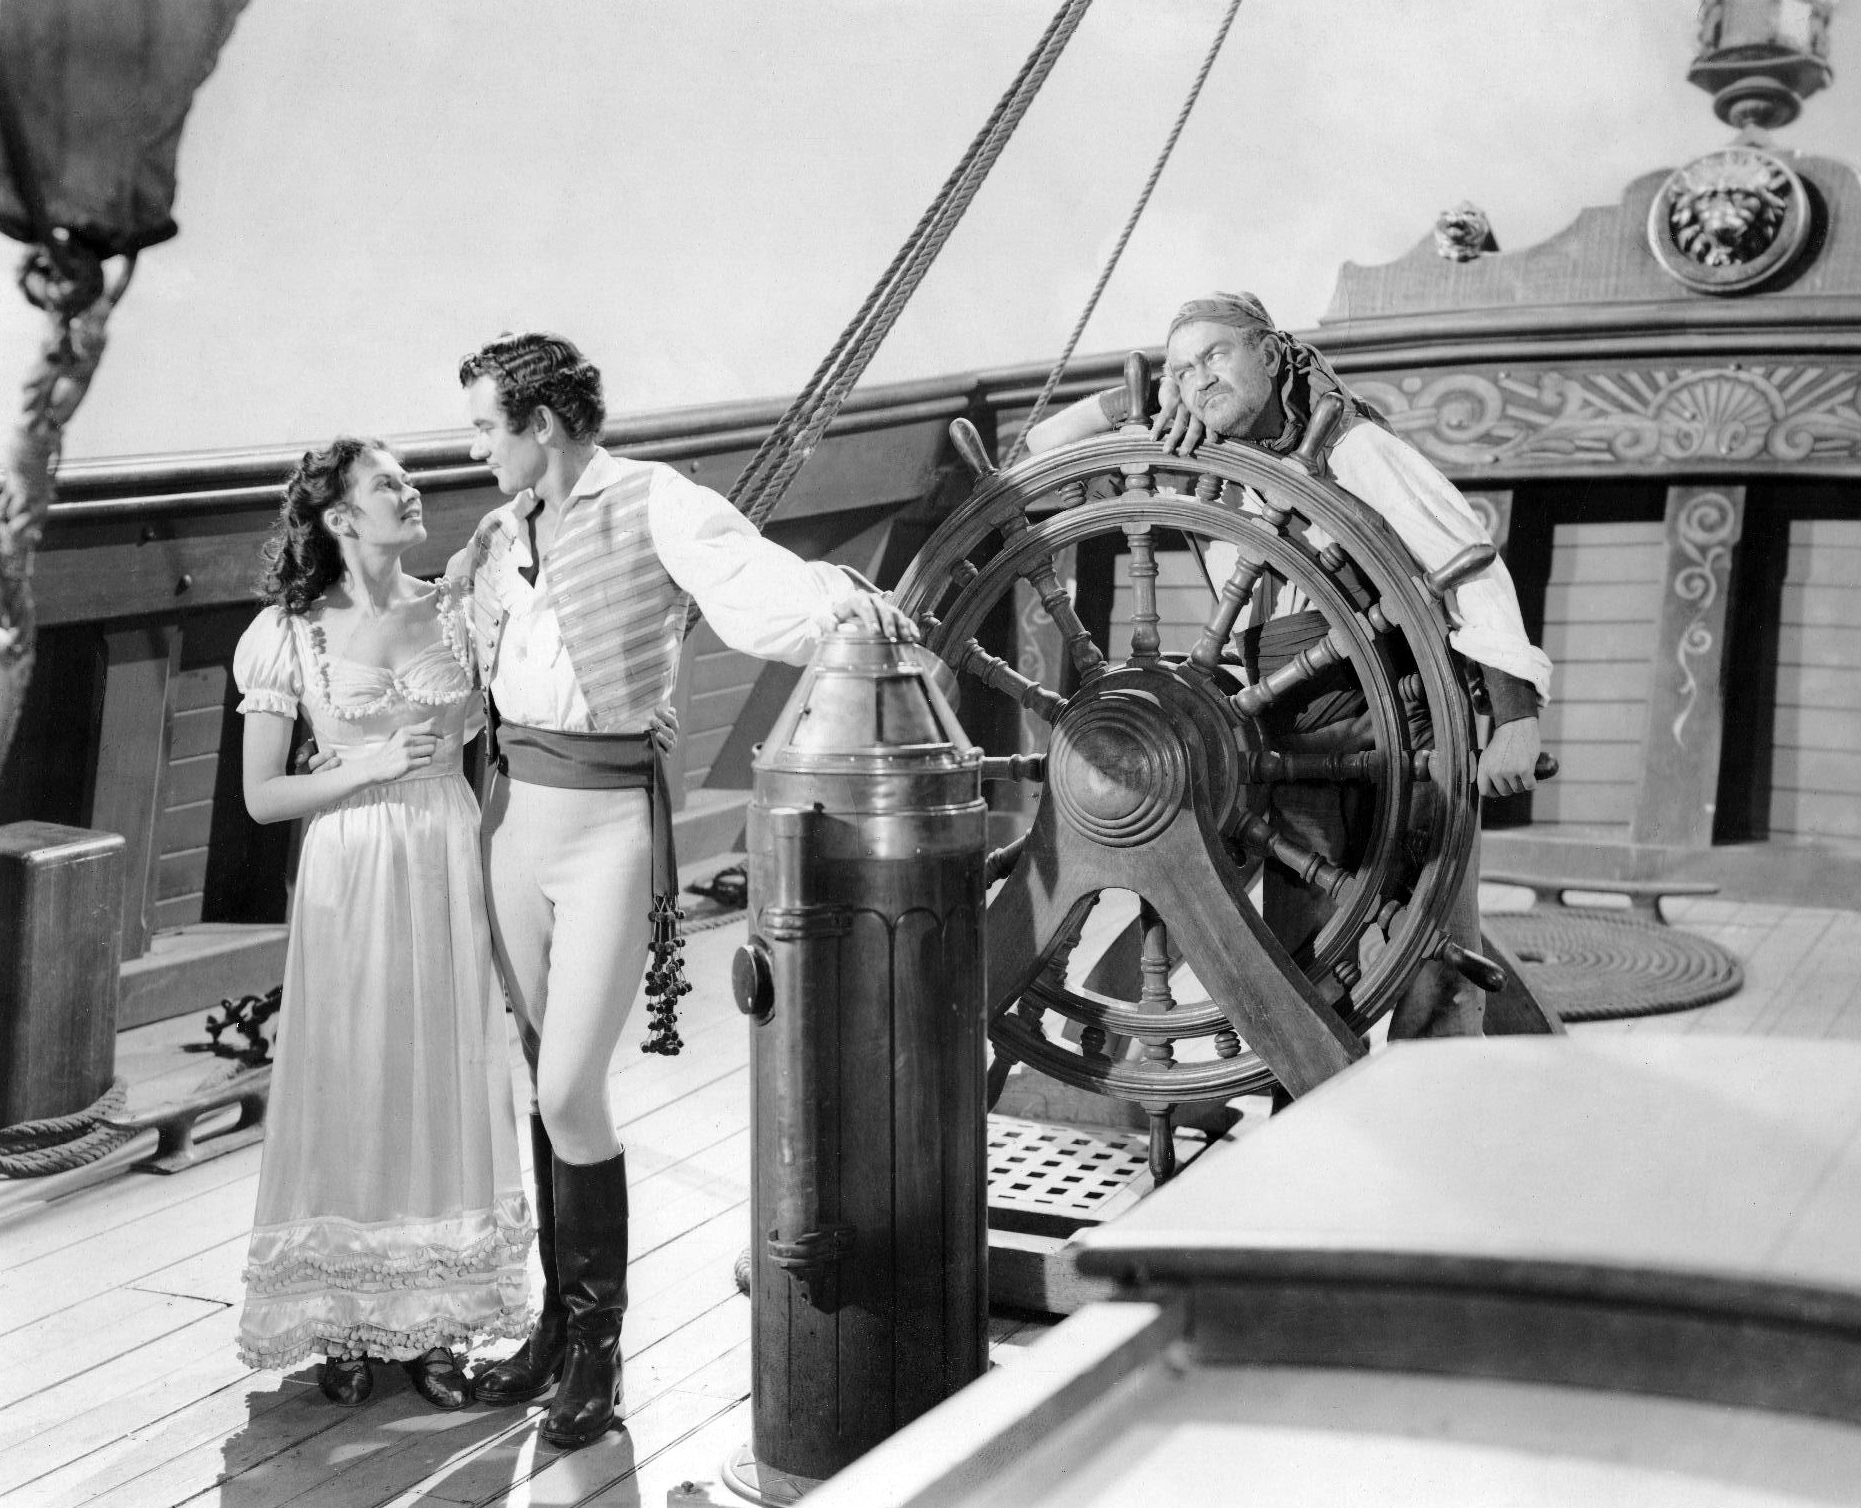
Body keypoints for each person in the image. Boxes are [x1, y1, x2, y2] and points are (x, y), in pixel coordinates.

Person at [447, 332, 915, 1449]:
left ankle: (598, 1352)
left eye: (483, 427)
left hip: (607, 828)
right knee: (539, 1079)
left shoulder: (654, 501)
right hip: (510, 820)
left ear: (541, 424)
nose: (472, 450)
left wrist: (842, 606)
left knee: (571, 1087)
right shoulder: (499, 535)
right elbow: (455, 658)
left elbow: (753, 587)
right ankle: (554, 1332)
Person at [1024, 292, 1553, 1038]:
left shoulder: (1354, 450)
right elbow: (1043, 452)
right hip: (1287, 730)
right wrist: (1138, 401)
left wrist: (1516, 720)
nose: (1201, 380)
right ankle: (1307, 1101)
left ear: (1271, 355)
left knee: (1437, 961)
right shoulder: (1202, 457)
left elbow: (1469, 565)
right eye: (1183, 368)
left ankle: (1437, 1093)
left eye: (1216, 356)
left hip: (1404, 716)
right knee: (1304, 964)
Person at [232, 438, 532, 1409]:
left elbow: (506, 741)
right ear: (338, 518)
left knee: (441, 1071)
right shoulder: (289, 633)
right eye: (385, 483)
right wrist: (362, 766)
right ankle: (341, 1317)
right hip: (351, 863)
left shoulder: (457, 610)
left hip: (445, 851)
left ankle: (438, 1320)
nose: (410, 490)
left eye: (407, 478)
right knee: (353, 1071)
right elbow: (263, 797)